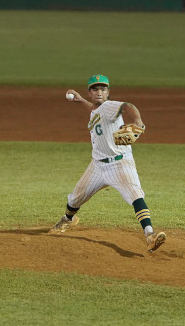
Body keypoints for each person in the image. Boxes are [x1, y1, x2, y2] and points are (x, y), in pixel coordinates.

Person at [50, 74, 166, 253]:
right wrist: (80, 100)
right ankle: (68, 220)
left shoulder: (110, 106)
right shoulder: (98, 110)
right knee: (76, 198)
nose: (99, 92)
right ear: (89, 92)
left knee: (135, 195)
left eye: (103, 89)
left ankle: (150, 234)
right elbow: (95, 111)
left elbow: (128, 106)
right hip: (97, 166)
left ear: (108, 92)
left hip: (120, 164)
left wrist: (137, 121)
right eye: (95, 89)